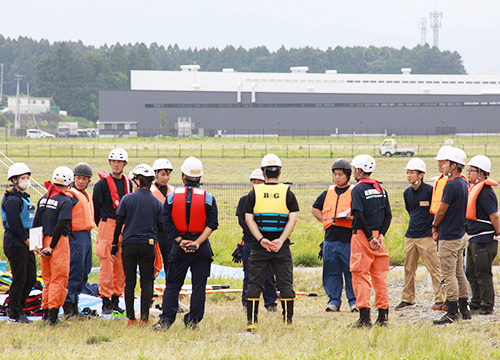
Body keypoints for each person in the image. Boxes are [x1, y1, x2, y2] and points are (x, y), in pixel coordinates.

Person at [153, 156, 218, 330]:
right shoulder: (209, 198)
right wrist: (197, 242)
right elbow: (212, 224)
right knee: (198, 287)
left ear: (183, 176)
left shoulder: (172, 197)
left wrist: (180, 241)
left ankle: (166, 320)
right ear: (200, 177)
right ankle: (193, 322)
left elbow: (166, 222)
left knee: (173, 285)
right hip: (201, 248)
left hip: (178, 247)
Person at [244, 154, 299, 331]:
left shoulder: (254, 192)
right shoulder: (287, 192)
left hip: (259, 247)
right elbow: (293, 219)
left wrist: (261, 240)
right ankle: (288, 322)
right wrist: (280, 240)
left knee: (254, 283)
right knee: (285, 283)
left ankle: (252, 322)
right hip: (281, 247)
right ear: (280, 172)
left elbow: (248, 219)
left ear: (263, 172)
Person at [111, 164, 164, 325]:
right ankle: (145, 318)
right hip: (148, 245)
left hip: (129, 245)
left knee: (130, 281)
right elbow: (161, 228)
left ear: (138, 181)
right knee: (147, 282)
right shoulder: (156, 203)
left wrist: (114, 244)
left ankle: (131, 318)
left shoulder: (127, 199)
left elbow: (119, 224)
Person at [395, 158, 445, 311]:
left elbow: (436, 210)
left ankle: (441, 299)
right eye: (407, 172)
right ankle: (407, 299)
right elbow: (411, 211)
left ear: (421, 174)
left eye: (412, 173)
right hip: (411, 236)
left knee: (434, 268)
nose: (409, 175)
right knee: (409, 269)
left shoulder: (431, 191)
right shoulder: (407, 193)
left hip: (427, 236)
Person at [349, 154, 392, 328]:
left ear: (359, 170)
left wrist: (368, 238)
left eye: (354, 169)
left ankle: (364, 318)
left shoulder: (358, 189)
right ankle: (383, 317)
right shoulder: (381, 189)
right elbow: (388, 215)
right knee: (380, 277)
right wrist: (380, 235)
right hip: (379, 238)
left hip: (362, 236)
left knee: (360, 275)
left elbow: (358, 214)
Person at [311, 158, 357, 313]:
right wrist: (325, 220)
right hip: (330, 240)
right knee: (331, 271)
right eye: (335, 174)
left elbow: (361, 213)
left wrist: (353, 218)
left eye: (340, 174)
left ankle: (354, 301)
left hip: (348, 240)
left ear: (348, 176)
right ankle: (334, 301)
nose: (337, 177)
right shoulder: (327, 193)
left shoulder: (354, 192)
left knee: (351, 272)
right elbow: (315, 209)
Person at [432, 147, 470, 325]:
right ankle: (464, 308)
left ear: (454, 165)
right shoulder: (463, 183)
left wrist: (435, 225)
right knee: (458, 272)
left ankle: (453, 311)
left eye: (445, 163)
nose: (442, 166)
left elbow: (441, 210)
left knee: (449, 274)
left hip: (449, 236)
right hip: (460, 234)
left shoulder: (451, 184)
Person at [33, 166, 74, 325]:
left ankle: (45, 314)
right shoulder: (65, 200)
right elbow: (61, 223)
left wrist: (37, 244)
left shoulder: (44, 198)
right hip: (57, 242)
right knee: (59, 279)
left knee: (47, 279)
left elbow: (36, 222)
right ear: (69, 182)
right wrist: (52, 246)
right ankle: (53, 317)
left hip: (42, 241)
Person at [93, 148, 131, 314]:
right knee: (107, 263)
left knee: (121, 263)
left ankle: (116, 298)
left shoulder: (128, 183)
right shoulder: (102, 184)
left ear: (125, 164)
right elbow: (95, 208)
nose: (116, 164)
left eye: (119, 162)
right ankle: (106, 300)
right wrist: (102, 226)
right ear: (110, 163)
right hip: (107, 224)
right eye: (114, 161)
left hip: (124, 225)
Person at [465, 155, 500, 315]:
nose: (468, 173)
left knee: (483, 272)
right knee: (471, 272)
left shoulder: (486, 192)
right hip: (474, 238)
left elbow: (494, 216)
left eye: (471, 171)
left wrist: (498, 233)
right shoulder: (474, 190)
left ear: (481, 173)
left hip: (485, 240)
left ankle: (487, 305)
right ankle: (476, 302)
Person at [238, 168, 277, 312]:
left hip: (268, 242)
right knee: (249, 273)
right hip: (250, 242)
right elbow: (243, 221)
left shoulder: (271, 201)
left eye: (259, 181)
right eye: (253, 181)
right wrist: (258, 237)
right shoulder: (244, 200)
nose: (255, 184)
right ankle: (246, 302)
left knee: (268, 273)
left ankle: (271, 303)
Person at [1, 163, 36, 323]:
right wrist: (26, 240)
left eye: (27, 178)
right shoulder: (12, 201)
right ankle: (14, 312)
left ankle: (19, 307)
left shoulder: (25, 198)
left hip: (26, 243)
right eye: (23, 178)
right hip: (16, 244)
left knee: (31, 278)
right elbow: (15, 224)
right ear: (14, 180)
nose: (26, 181)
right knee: (19, 278)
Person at [63, 162, 94, 319]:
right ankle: (68, 308)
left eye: (84, 179)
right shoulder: (71, 196)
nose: (81, 181)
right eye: (78, 178)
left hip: (86, 236)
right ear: (73, 179)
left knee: (84, 271)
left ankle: (75, 306)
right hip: (75, 237)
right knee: (75, 271)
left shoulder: (84, 195)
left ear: (89, 181)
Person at [151, 158, 175, 265]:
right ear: (155, 174)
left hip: (169, 234)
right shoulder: (149, 191)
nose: (166, 178)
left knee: (170, 263)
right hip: (155, 234)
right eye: (163, 174)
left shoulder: (173, 191)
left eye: (168, 174)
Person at [430, 145, 453, 215]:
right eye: (438, 161)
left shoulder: (456, 182)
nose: (439, 164)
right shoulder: (439, 180)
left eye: (442, 162)